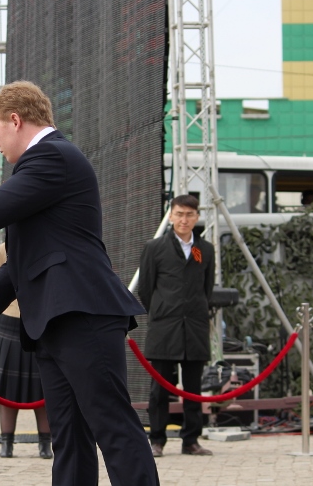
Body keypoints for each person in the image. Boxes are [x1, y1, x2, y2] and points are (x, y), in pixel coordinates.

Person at [0, 81, 159, 486]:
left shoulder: (52, 157)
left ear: (15, 120)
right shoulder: (39, 168)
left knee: (113, 429)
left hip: (83, 315)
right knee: (69, 440)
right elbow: (20, 264)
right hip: (57, 321)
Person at [138, 194, 215, 457]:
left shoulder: (204, 249)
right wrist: (161, 312)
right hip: (164, 327)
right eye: (179, 214)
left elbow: (207, 288)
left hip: (194, 326)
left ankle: (191, 440)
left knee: (193, 387)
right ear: (170, 215)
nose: (184, 219)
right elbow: (146, 289)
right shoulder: (154, 248)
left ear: (196, 217)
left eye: (189, 214)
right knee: (159, 388)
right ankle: (157, 439)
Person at [0, 243, 51, 459]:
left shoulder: (48, 242)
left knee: (43, 387)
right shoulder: (3, 249)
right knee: (7, 390)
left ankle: (45, 443)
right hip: (10, 318)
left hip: (41, 318)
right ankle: (6, 442)